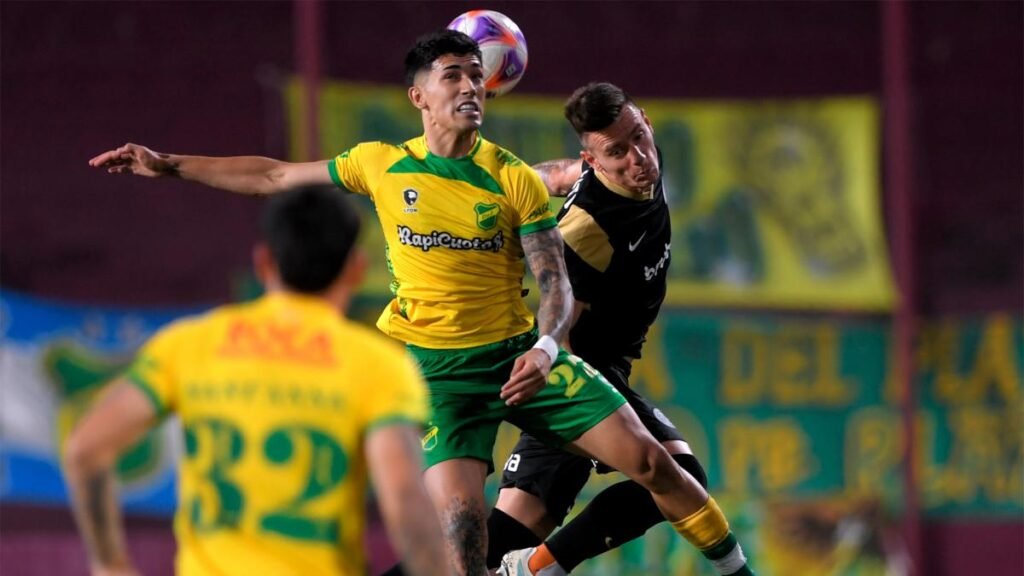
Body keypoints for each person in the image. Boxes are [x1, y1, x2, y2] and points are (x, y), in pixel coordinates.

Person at [88, 29, 744, 576]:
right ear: (418, 96)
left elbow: (554, 285)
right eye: (452, 75)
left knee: (662, 467)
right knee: (466, 549)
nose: (469, 86)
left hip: (524, 362)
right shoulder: (381, 164)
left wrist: (546, 347)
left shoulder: (514, 175)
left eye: (474, 75)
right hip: (441, 378)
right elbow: (274, 175)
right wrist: (167, 163)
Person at [63, 186, 450, 576]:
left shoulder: (190, 344)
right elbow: (404, 501)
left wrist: (109, 564)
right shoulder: (378, 365)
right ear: (357, 269)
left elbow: (85, 448)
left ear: (264, 262)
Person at [491, 82, 752, 576]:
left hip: (607, 369)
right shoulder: (587, 235)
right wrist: (585, 415)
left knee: (493, 548)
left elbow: (559, 174)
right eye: (617, 152)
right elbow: (559, 327)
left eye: (638, 138)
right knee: (677, 477)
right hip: (578, 375)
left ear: (646, 122)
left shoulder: (635, 167)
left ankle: (527, 567)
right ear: (596, 161)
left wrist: (515, 182)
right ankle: (533, 570)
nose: (638, 158)